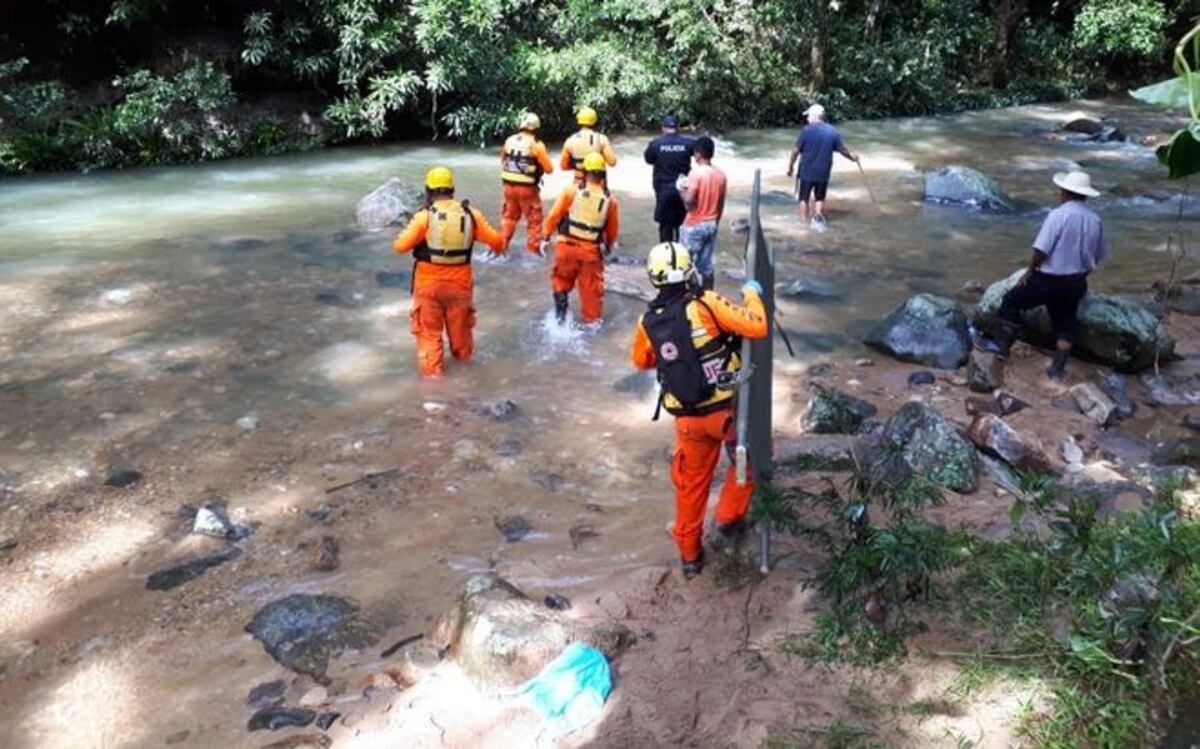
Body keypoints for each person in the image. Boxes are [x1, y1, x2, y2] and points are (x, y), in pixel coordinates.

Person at [630, 242, 768, 579]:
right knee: (748, 466)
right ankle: (726, 519)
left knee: (691, 488)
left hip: (688, 421)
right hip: (726, 414)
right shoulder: (705, 303)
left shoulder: (647, 321)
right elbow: (757, 326)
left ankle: (690, 558)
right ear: (689, 271)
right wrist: (751, 293)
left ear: (654, 279)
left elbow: (641, 361)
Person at [974, 170, 1107, 381]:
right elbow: (1098, 256)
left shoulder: (1058, 215)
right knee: (1066, 323)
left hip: (1048, 280)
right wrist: (1081, 275)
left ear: (1065, 192)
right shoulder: (1095, 220)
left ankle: (1002, 347)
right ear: (1085, 195)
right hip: (1076, 282)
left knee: (1010, 302)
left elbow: (1041, 250)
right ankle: (1057, 369)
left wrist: (1030, 271)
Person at [392, 166, 505, 378]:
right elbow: (498, 241)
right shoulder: (471, 214)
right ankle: (466, 378)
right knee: (461, 336)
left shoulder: (424, 217)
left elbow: (400, 247)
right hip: (460, 287)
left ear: (428, 191)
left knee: (429, 336)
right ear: (452, 189)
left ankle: (435, 391)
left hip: (428, 287)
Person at [543, 152, 620, 325]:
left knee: (561, 280)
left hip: (565, 248)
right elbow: (612, 231)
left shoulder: (571, 191)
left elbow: (553, 216)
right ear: (603, 173)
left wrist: (545, 237)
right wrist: (607, 247)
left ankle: (560, 317)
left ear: (584, 171)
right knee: (591, 292)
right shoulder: (610, 201)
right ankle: (592, 327)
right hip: (590, 253)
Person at [786, 103, 858, 228]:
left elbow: (795, 151)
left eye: (808, 116)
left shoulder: (806, 131)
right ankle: (818, 217)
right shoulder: (833, 131)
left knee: (803, 198)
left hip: (806, 171)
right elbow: (843, 150)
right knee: (820, 197)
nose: (807, 118)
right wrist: (852, 158)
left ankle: (804, 223)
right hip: (823, 171)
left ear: (815, 116)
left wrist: (791, 167)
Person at [499, 112, 555, 256]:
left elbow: (503, 160)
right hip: (527, 189)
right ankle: (533, 252)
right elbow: (549, 169)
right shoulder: (536, 144)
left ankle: (501, 247)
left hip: (508, 187)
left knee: (508, 218)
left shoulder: (509, 140)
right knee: (534, 221)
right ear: (536, 127)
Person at [679, 136, 727, 290]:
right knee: (706, 266)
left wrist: (680, 189)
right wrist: (716, 222)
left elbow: (688, 201)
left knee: (684, 264)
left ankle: (685, 301)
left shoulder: (696, 173)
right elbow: (721, 203)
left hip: (694, 224)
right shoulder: (721, 175)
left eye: (695, 153)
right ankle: (709, 300)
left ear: (698, 154)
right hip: (711, 223)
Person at [644, 115, 695, 242]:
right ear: (678, 128)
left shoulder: (655, 144)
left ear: (663, 128)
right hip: (683, 191)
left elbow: (648, 160)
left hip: (663, 191)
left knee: (665, 227)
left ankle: (665, 257)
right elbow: (702, 154)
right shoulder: (688, 143)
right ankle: (681, 257)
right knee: (682, 226)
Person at [560, 107, 618, 185]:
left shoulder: (570, 141)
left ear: (579, 121)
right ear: (595, 120)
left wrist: (577, 166)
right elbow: (612, 162)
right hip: (597, 183)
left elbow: (563, 166)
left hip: (578, 182)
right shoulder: (602, 139)